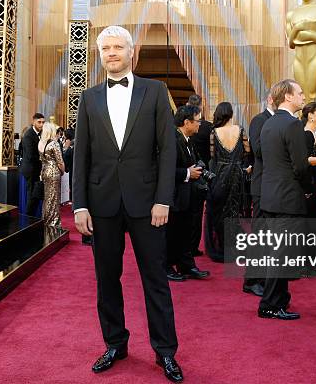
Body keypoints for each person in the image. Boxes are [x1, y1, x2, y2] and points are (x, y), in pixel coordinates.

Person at [72, 26, 183, 382]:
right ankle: (115, 343)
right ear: (100, 54)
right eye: (105, 48)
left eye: (118, 46)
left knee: (155, 279)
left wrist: (163, 199)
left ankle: (165, 352)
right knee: (107, 279)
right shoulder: (88, 99)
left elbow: (167, 151)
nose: (111, 52)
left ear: (131, 52)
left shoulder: (155, 91)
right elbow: (82, 157)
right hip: (102, 204)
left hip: (148, 204)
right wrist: (79, 205)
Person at [258, 78, 308, 320]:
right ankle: (270, 305)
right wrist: (308, 189)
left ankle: (278, 301)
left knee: (276, 252)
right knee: (282, 254)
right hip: (288, 198)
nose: (304, 97)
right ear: (287, 96)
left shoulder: (268, 124)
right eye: (299, 93)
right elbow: (300, 165)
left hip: (270, 197)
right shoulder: (293, 124)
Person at [166, 104, 210, 282]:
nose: (200, 124)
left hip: (188, 195)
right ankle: (167, 266)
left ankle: (186, 265)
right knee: (172, 233)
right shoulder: (171, 139)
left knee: (185, 232)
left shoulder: (188, 139)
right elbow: (163, 169)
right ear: (187, 122)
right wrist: (186, 173)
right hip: (174, 195)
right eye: (197, 121)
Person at [204, 102, 252, 262]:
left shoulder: (214, 132)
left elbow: (212, 156)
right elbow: (247, 151)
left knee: (219, 211)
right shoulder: (241, 130)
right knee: (235, 211)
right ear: (231, 114)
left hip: (220, 176)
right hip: (237, 176)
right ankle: (236, 247)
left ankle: (222, 248)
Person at [243, 88, 275, 297]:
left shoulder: (282, 121)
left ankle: (264, 276)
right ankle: (251, 279)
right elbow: (258, 150)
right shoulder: (259, 120)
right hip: (261, 185)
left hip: (273, 186)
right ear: (271, 99)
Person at [187, 94, 211, 257]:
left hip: (187, 173)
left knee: (186, 214)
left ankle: (185, 247)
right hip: (202, 173)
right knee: (196, 214)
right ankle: (193, 247)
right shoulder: (208, 127)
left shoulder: (181, 128)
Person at [38, 122, 64, 228]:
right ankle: (53, 222)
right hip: (53, 172)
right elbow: (60, 162)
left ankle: (46, 219)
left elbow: (41, 160)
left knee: (47, 198)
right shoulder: (54, 143)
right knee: (54, 198)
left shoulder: (41, 143)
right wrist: (62, 171)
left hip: (44, 171)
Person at [20, 113, 45, 216]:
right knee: (32, 195)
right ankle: (28, 218)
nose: (41, 124)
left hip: (34, 168)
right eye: (39, 122)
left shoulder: (38, 134)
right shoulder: (29, 135)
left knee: (34, 195)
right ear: (33, 122)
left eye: (43, 122)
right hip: (30, 169)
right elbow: (30, 156)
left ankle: (31, 216)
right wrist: (43, 159)